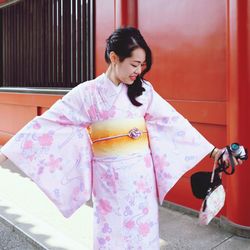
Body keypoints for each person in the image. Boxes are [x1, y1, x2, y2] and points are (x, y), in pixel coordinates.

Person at [0, 27, 242, 249]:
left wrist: (213, 152)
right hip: (108, 181)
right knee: (110, 237)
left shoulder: (144, 92)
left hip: (141, 181)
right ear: (114, 58)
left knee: (143, 235)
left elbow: (173, 121)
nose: (138, 71)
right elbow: (49, 122)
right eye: (134, 64)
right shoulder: (87, 94)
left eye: (142, 66)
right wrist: (7, 152)